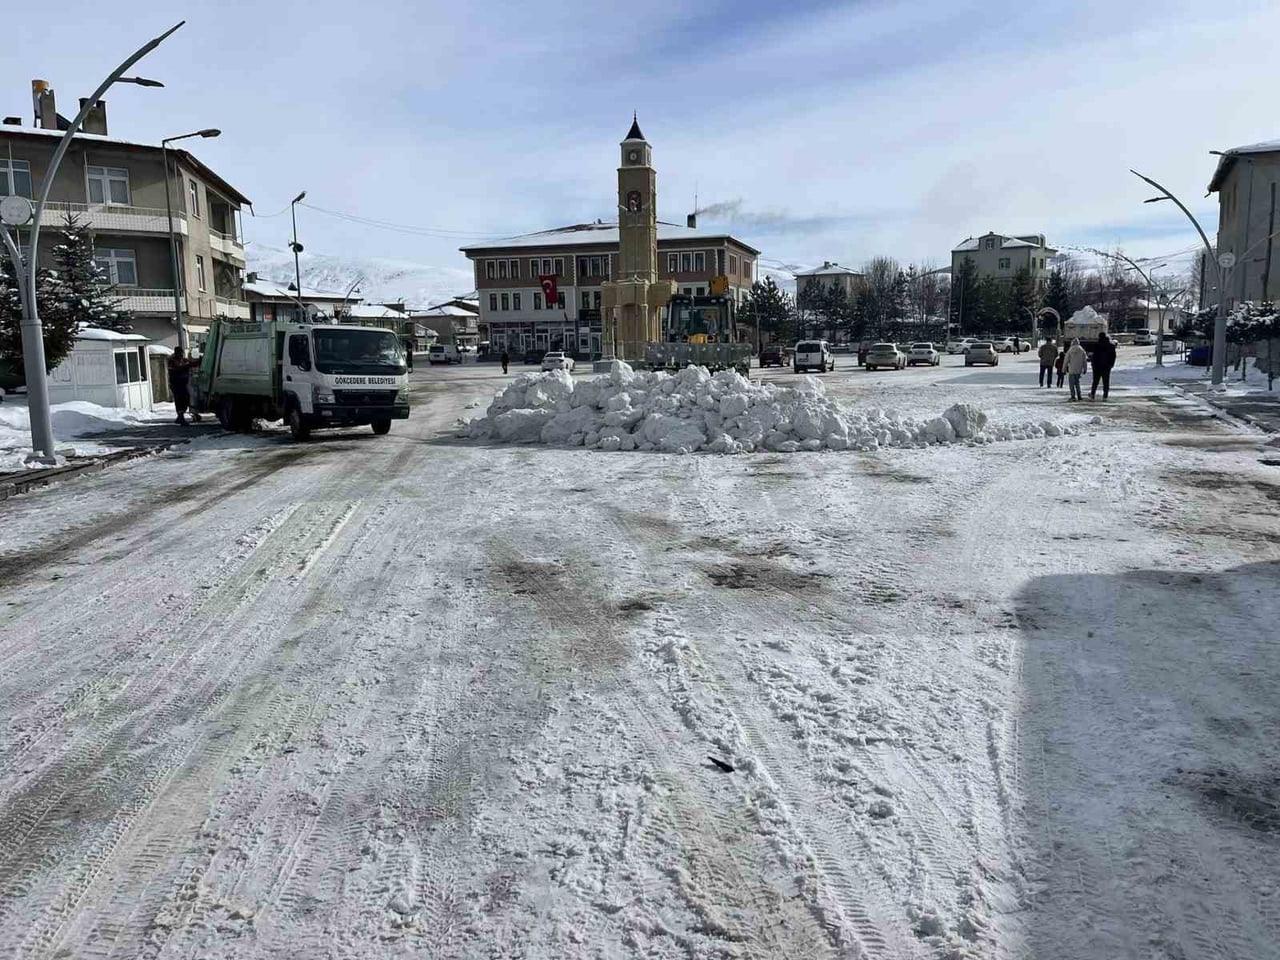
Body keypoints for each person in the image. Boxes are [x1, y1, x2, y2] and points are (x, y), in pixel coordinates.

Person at [167, 346, 201, 425]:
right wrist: (186, 366)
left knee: (186, 398)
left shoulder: (184, 360)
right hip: (176, 384)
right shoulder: (172, 361)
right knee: (179, 400)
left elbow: (191, 363)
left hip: (184, 383)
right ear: (176, 353)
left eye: (181, 353)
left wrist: (199, 361)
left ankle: (180, 416)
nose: (181, 354)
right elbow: (177, 369)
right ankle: (180, 416)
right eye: (179, 353)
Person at [1090, 331, 1117, 400]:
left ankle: (1093, 394)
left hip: (1097, 366)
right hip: (1106, 366)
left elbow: (1094, 356)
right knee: (1106, 381)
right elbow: (1113, 356)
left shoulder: (1096, 345)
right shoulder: (1111, 346)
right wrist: (1111, 364)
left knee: (1095, 381)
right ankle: (1105, 395)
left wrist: (1093, 364)